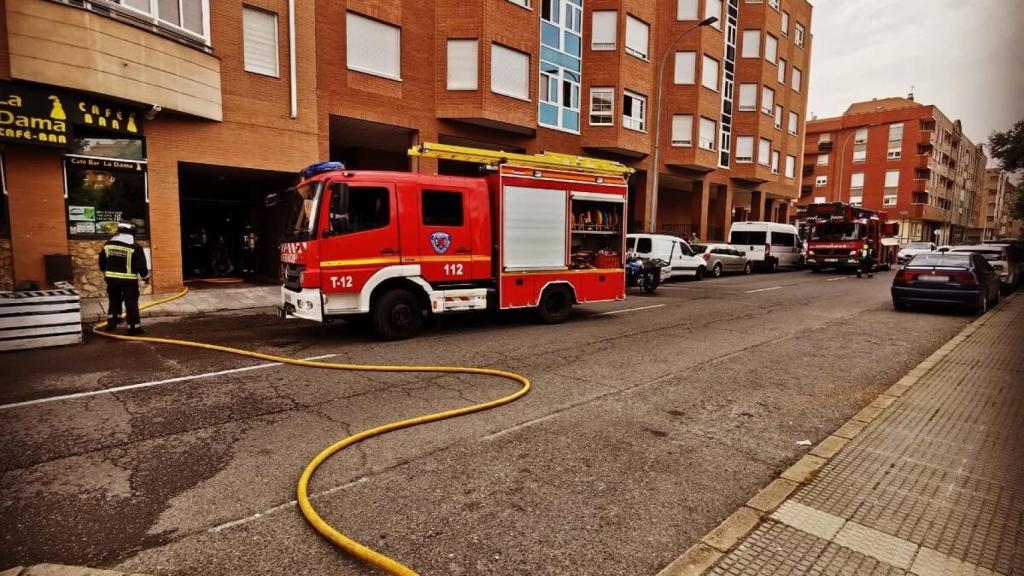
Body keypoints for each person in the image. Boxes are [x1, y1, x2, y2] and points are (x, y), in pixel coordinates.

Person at [99, 222, 150, 334]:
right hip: (129, 281)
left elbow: (102, 261)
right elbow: (142, 265)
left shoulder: (108, 245)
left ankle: (112, 323)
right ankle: (133, 328)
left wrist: (104, 271)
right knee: (131, 303)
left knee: (113, 300)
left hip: (111, 280)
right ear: (133, 233)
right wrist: (146, 278)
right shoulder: (135, 247)